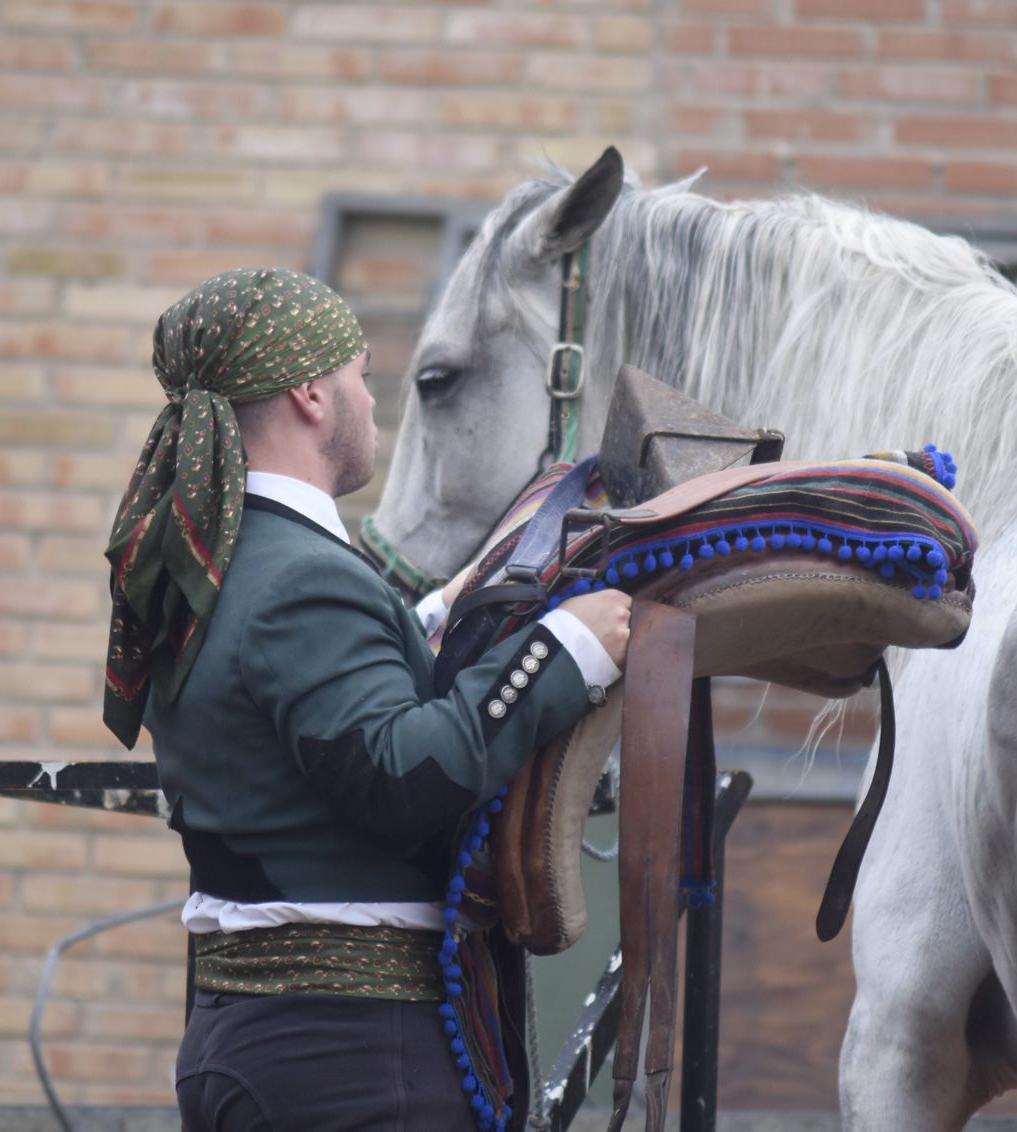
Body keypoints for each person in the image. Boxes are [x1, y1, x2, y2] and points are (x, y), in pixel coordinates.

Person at [101, 268, 630, 1131]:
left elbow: (313, 709)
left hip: (279, 1041)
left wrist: (434, 620)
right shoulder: (300, 579)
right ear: (310, 393)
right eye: (359, 373)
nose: (372, 400)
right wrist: (562, 652)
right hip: (349, 1060)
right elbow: (400, 779)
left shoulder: (223, 563)